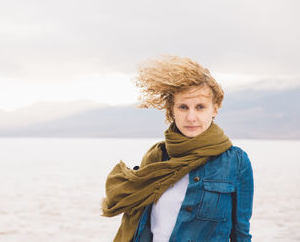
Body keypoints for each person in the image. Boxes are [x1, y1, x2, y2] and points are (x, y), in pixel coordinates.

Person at [101, 55, 254, 242]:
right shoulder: (157, 157)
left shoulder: (236, 162)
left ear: (214, 109)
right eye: (183, 107)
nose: (191, 117)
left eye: (200, 107)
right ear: (171, 110)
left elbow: (241, 234)